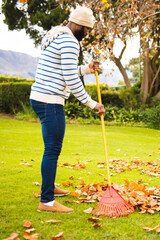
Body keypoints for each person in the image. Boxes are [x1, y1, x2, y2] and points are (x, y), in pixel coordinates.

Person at [30, 6, 105, 213]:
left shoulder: (57, 35)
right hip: (50, 100)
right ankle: (46, 201)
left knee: (51, 148)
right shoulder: (70, 41)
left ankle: (50, 186)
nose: (87, 34)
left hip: (39, 97)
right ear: (79, 25)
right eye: (87, 30)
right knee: (52, 149)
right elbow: (71, 79)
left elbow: (65, 70)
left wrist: (87, 69)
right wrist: (92, 103)